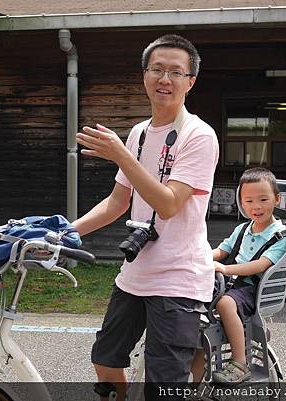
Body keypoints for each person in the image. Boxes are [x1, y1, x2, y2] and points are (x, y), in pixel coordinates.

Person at [73, 34, 219, 400]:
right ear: (144, 76)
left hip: (179, 279)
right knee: (105, 360)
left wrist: (122, 156)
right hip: (136, 273)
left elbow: (169, 204)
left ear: (191, 81)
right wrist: (64, 233)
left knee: (163, 384)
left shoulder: (199, 136)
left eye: (175, 72)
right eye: (157, 69)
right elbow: (118, 201)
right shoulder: (138, 132)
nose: (164, 79)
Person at [191, 167, 286, 384]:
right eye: (249, 201)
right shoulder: (243, 228)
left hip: (251, 289)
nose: (256, 206)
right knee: (191, 298)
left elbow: (260, 265)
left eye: (263, 199)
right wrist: (200, 256)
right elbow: (222, 250)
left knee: (225, 303)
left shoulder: (281, 235)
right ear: (241, 203)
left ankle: (240, 362)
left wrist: (225, 269)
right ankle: (192, 384)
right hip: (230, 284)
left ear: (276, 199)